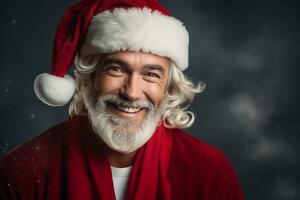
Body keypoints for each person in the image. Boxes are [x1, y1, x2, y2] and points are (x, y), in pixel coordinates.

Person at [0, 0, 244, 199]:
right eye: (116, 69)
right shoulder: (23, 170)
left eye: (151, 74)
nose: (132, 92)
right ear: (88, 78)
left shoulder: (209, 172)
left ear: (168, 87)